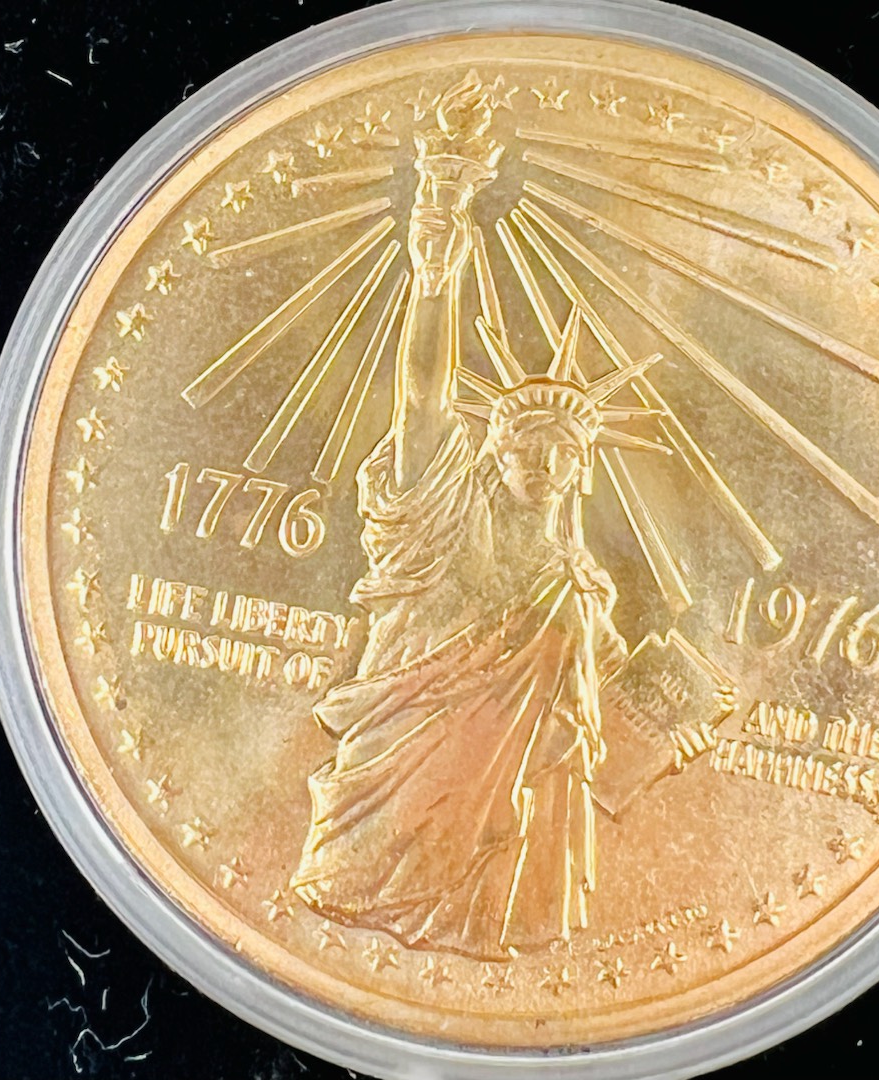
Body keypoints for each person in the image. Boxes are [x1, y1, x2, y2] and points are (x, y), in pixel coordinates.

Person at [291, 72, 662, 959]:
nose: (541, 463)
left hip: (518, 820)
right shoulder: (439, 514)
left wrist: (673, 718)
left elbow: (596, 704)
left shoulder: (582, 580)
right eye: (524, 446)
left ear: (581, 468)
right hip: (400, 781)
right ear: (494, 452)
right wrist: (436, 255)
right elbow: (422, 394)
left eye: (560, 452)